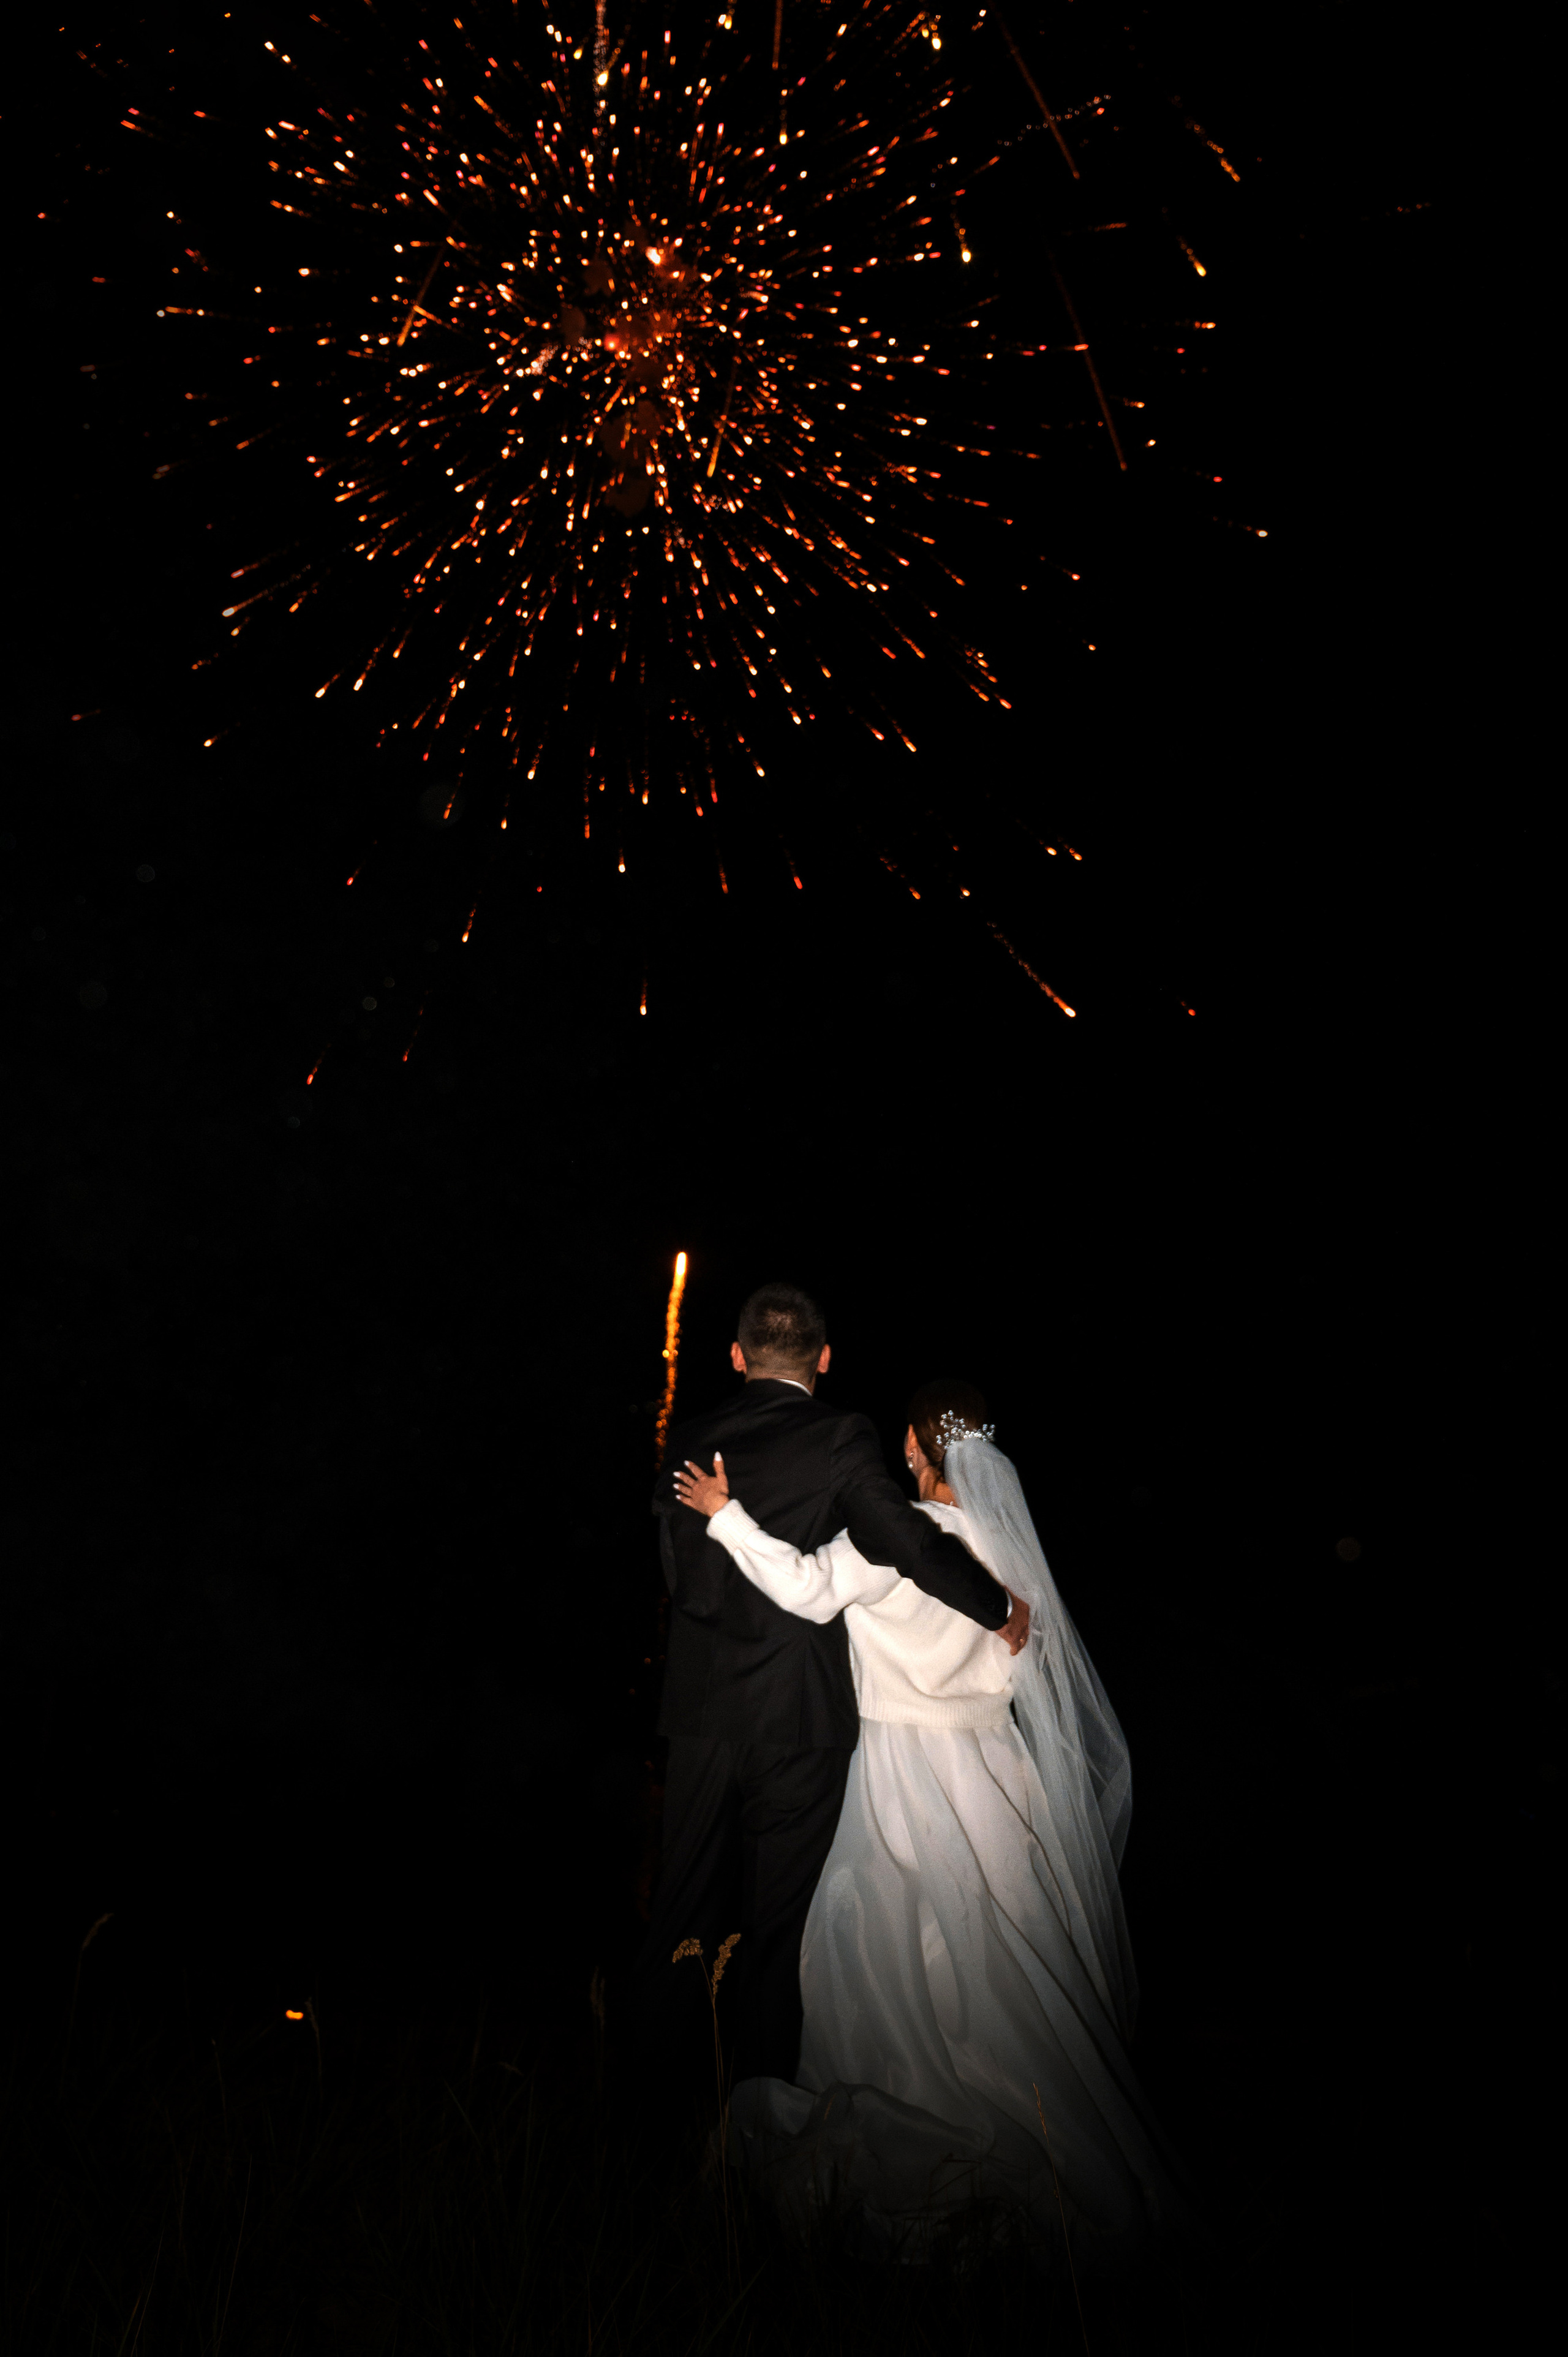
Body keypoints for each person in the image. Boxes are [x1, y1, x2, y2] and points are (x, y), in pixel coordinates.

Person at [671, 1379, 1189, 2259]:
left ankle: (923, 2131)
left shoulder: (895, 1540)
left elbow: (807, 1590)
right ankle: (1041, 2131)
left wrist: (728, 1518)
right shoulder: (1009, 1549)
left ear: (912, 1450)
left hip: (899, 1774)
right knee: (1003, 1964)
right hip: (995, 1776)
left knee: (886, 1958)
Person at [642, 1288, 1030, 2089]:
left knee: (680, 1911)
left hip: (703, 1712)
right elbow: (901, 1537)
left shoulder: (691, 1436)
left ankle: (654, 2109)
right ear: (824, 1358)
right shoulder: (839, 1436)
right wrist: (997, 1609)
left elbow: (678, 1572)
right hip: (800, 1715)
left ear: (736, 1356)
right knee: (779, 1930)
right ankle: (761, 2111)